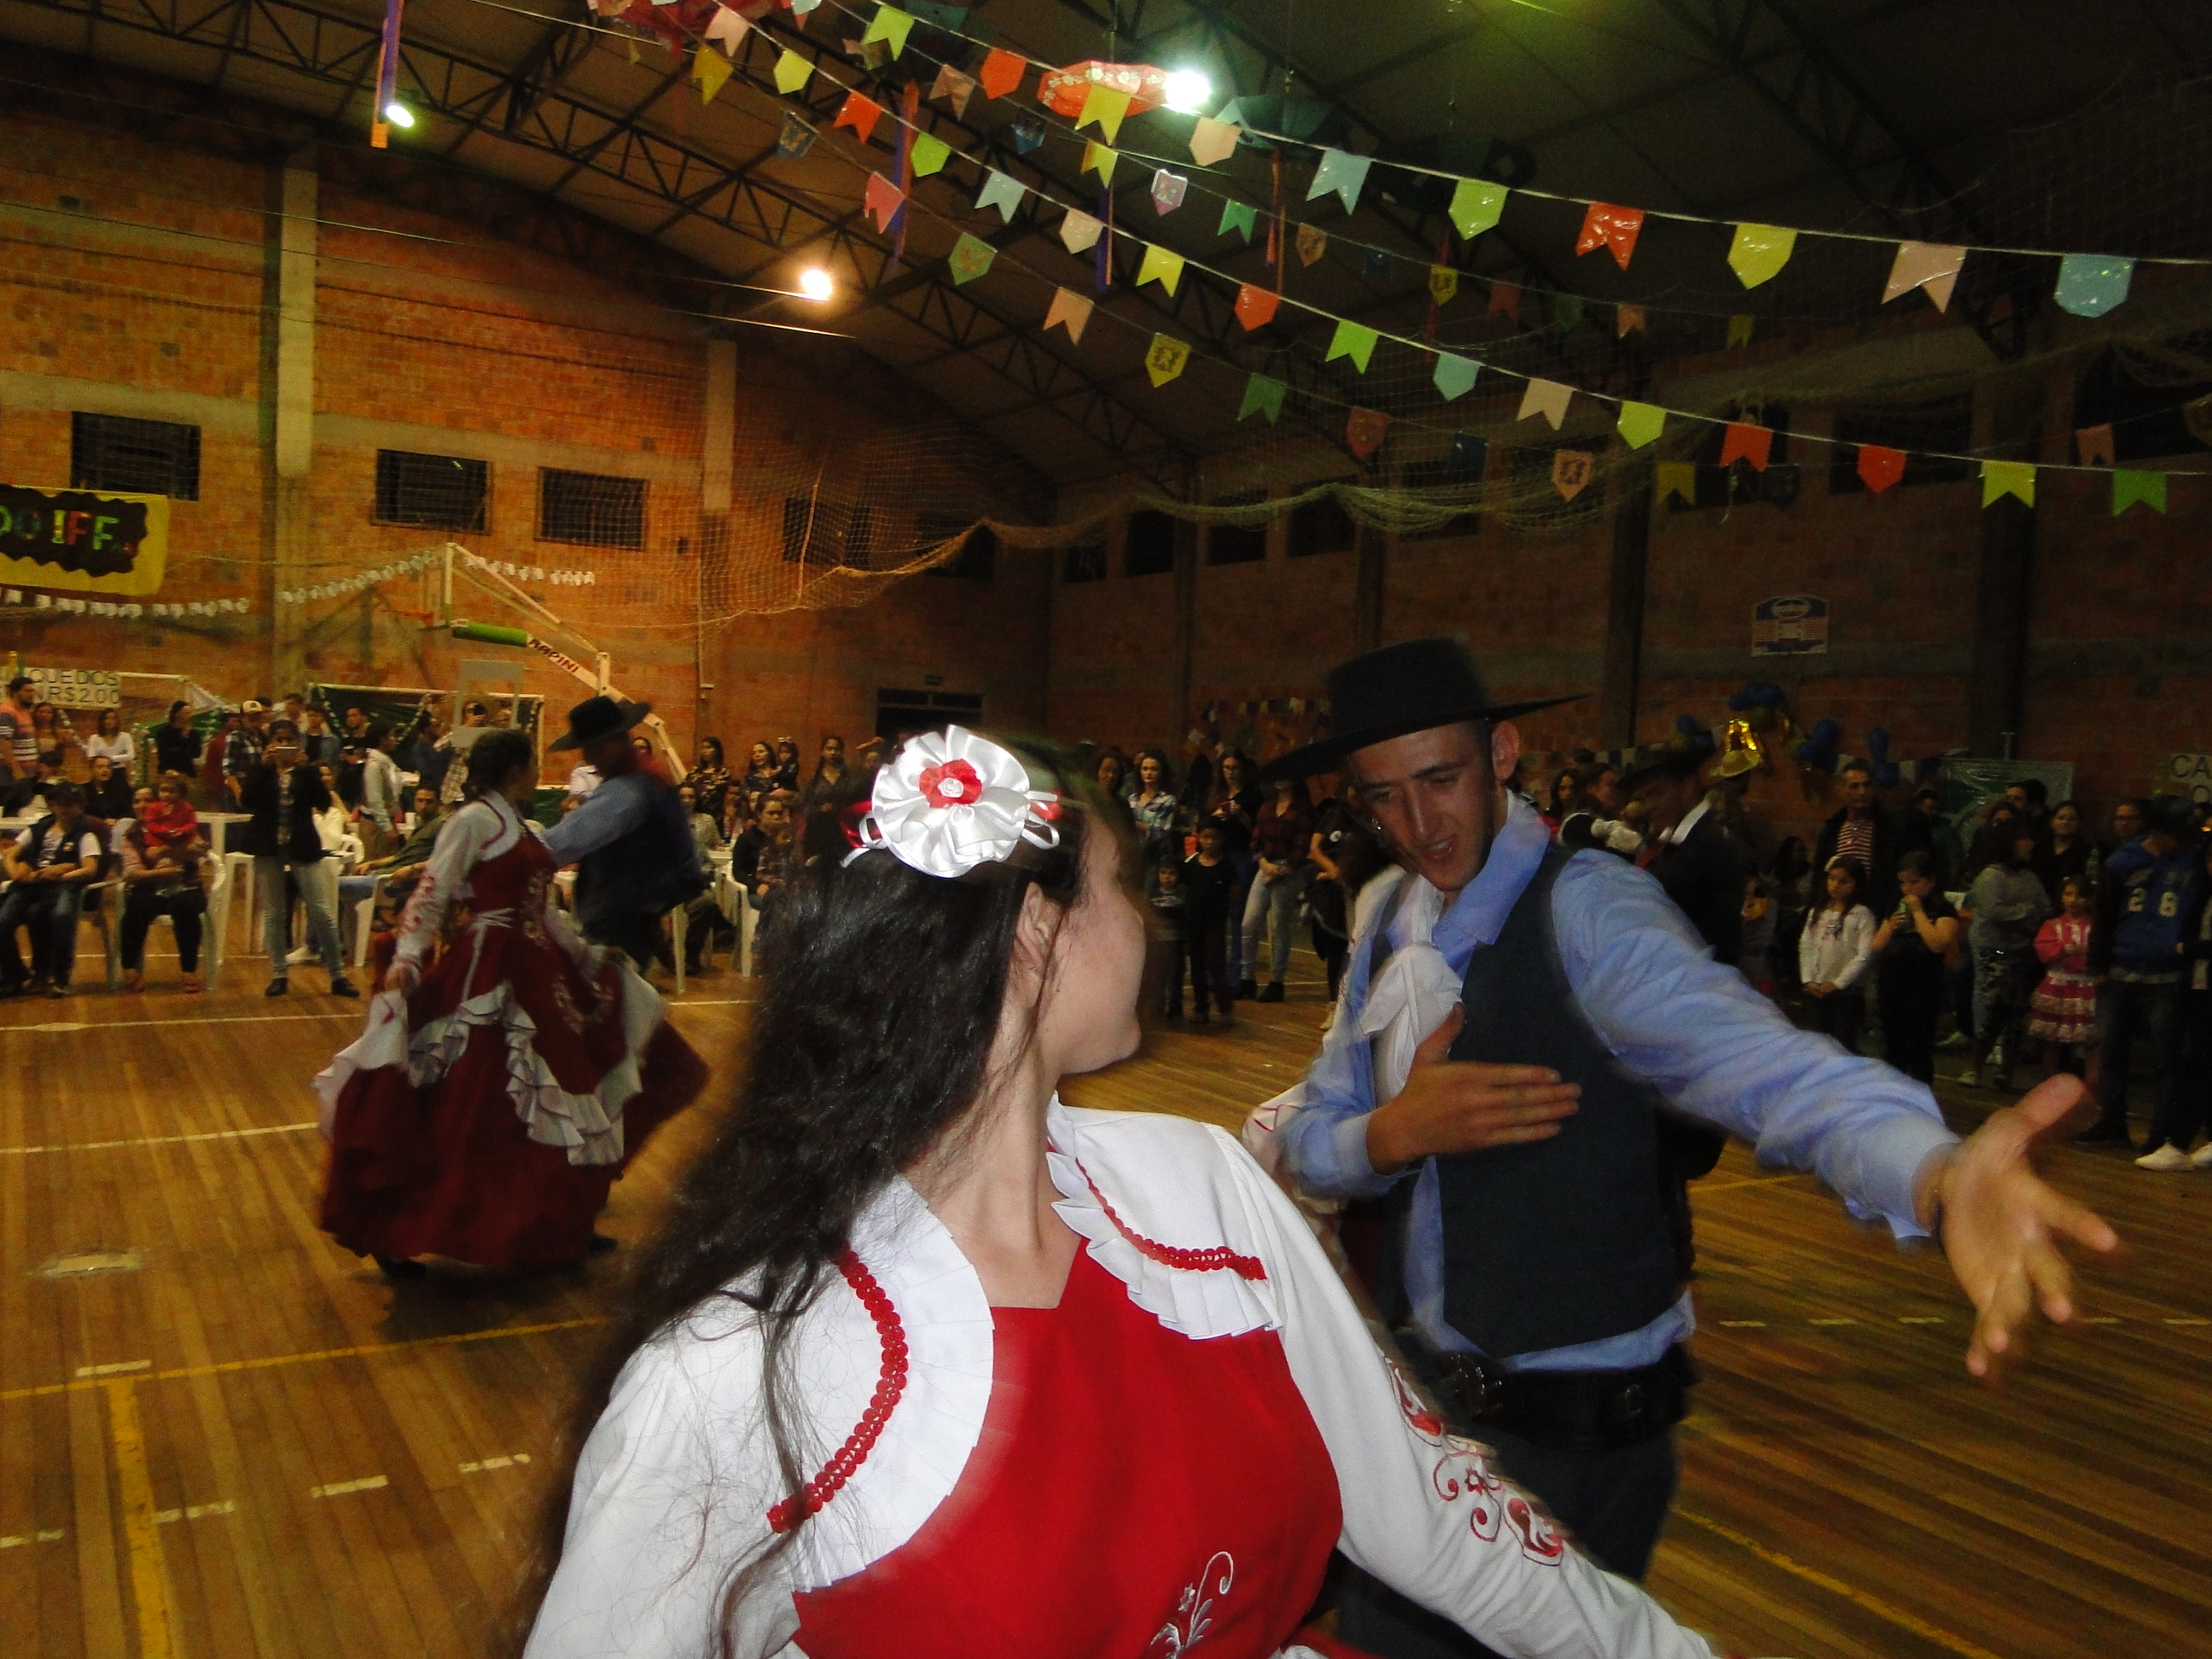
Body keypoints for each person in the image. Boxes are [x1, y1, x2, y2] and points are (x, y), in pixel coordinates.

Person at [512, 724, 1739, 1659]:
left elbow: (1429, 1505)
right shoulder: (743, 1370)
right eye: (1121, 888)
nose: (1147, 924)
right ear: (1035, 930)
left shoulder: (1200, 1189)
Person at [1265, 637, 2118, 1652]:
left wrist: (1936, 1172)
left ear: (1501, 755)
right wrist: (1389, 1135)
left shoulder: (1591, 912)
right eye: (1384, 797)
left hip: (1571, 1449)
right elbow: (1309, 1136)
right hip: (1429, 1427)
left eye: (1439, 780)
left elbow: (1760, 1064)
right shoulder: (1386, 917)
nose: (1418, 825)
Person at [315, 728, 707, 1279]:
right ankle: (406, 1224)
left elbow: (538, 908)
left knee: (562, 1089)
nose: (537, 772)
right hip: (489, 970)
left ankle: (558, 1224)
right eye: (531, 763)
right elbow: (434, 889)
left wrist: (584, 955)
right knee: (472, 1101)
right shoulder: (474, 820)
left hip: (534, 967)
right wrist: (407, 957)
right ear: (515, 768)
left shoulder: (516, 824)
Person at [541, 696, 709, 975]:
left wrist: (516, 849)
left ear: (612, 743)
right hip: (637, 916)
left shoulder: (626, 791)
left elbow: (565, 841)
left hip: (618, 922)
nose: (587, 757)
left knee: (607, 993)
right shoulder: (648, 778)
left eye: (591, 748)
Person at [2081, 796, 2203, 1147]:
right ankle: (2112, 1122)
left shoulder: (2195, 860)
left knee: (2167, 1058)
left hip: (2168, 974)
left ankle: (2160, 1133)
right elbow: (2104, 913)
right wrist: (2098, 965)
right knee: (2111, 1052)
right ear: (2158, 831)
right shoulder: (2124, 861)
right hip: (2120, 968)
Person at [238, 719, 357, 998]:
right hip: (268, 846)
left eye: (289, 740)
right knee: (274, 912)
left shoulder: (305, 771)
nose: (284, 745)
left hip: (302, 845)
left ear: (298, 743)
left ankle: (338, 975)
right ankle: (279, 973)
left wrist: (307, 770)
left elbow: (323, 802)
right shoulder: (263, 771)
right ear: (270, 743)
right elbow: (247, 801)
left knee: (321, 911)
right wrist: (263, 767)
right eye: (278, 739)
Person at [1626, 737, 1745, 969]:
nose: (1647, 807)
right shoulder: (1669, 841)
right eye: (1642, 798)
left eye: (1656, 794)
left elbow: (1647, 888)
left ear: (1688, 787)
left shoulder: (1708, 844)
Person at [1960, 824, 2052, 1091]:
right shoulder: (1991, 876)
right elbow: (1993, 912)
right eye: (2023, 838)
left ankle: (2006, 1072)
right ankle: (1976, 1068)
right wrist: (2026, 911)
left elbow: (2045, 908)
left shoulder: (2029, 877)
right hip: (1993, 952)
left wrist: (2026, 914)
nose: (2030, 844)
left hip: (2020, 952)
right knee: (1990, 1008)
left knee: (2016, 1013)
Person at [2144, 837, 2212, 1169]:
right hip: (2198, 987)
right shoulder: (2204, 894)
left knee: (2198, 1065)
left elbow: (2194, 943)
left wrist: (2192, 948)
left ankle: (2179, 1143)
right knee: (2199, 1062)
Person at [0, 783, 102, 998]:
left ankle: (59, 976)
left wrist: (60, 874)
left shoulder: (85, 835)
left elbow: (90, 869)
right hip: (30, 885)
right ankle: (13, 975)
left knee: (61, 916)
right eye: (59, 804)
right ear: (52, 805)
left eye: (69, 804)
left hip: (63, 886)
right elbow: (10, 855)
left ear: (80, 806)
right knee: (3, 920)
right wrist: (16, 874)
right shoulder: (38, 829)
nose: (64, 809)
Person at [1870, 851, 1962, 1084]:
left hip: (1923, 986)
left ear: (1930, 881)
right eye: (1903, 882)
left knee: (1919, 1047)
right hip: (1892, 983)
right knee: (1892, 1046)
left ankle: (1920, 1094)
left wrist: (1919, 912)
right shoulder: (1896, 905)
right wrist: (1891, 926)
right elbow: (1877, 946)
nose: (1907, 888)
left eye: (1914, 882)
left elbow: (1938, 944)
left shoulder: (1943, 909)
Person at [114, 783, 209, 993]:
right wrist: (162, 873)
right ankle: (129, 967)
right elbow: (132, 873)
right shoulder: (131, 835)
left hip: (185, 884)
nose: (142, 805)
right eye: (137, 801)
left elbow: (201, 849)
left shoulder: (182, 825)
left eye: (148, 800)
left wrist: (167, 850)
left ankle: (189, 970)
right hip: (149, 886)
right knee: (137, 906)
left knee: (185, 906)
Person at [1240, 774, 1313, 1003]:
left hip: (1288, 870)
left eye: (1285, 776)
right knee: (1248, 923)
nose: (1280, 780)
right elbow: (1256, 840)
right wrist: (1263, 863)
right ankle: (1246, 979)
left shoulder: (1302, 810)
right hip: (1266, 866)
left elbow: (1301, 848)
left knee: (1278, 927)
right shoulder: (1267, 807)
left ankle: (1276, 982)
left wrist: (1280, 871)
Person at [1308, 783, 1382, 1002]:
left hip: (1363, 887)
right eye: (1354, 788)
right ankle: (1335, 1002)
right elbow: (1315, 848)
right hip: (1333, 892)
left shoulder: (1375, 818)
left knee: (1359, 944)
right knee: (1335, 947)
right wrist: (1334, 871)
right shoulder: (1333, 816)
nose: (1357, 794)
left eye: (1361, 788)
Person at [1798, 857, 1876, 1053]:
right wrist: (1808, 978)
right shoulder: (1818, 911)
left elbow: (1864, 954)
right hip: (1817, 986)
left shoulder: (1862, 914)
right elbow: (1806, 945)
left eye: (1844, 881)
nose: (1835, 885)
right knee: (1817, 1042)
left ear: (1857, 884)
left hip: (1847, 992)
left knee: (1843, 1043)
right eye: (1831, 878)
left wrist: (1838, 983)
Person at [2029, 876, 2098, 1086]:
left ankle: (2092, 1087)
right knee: (2051, 1039)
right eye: (2068, 894)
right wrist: (2067, 950)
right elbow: (2044, 951)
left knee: (2091, 1041)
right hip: (2057, 986)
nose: (2073, 900)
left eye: (2080, 896)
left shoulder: (2096, 927)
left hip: (2085, 987)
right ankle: (2050, 1085)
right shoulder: (2052, 925)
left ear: (2089, 899)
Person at [1813, 758, 1901, 917]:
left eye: (1867, 785)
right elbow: (1819, 875)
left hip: (1876, 909)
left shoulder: (1888, 829)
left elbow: (1896, 878)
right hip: (1836, 911)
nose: (1862, 792)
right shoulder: (1832, 830)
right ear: (1841, 790)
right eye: (1854, 786)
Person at [1179, 820, 1238, 1025]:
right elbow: (1184, 889)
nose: (1210, 842)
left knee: (1215, 962)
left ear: (1221, 839)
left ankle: (1224, 1006)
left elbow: (1234, 892)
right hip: (1194, 921)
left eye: (1214, 837)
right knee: (1196, 964)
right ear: (1198, 837)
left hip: (1215, 922)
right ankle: (1201, 1006)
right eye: (1206, 837)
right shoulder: (1191, 864)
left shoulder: (1226, 865)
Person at [1149, 855, 1189, 1018]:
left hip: (1176, 943)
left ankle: (1175, 1007)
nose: (1167, 877)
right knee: (1158, 976)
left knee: (1175, 977)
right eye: (1163, 872)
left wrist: (1186, 940)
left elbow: (1186, 919)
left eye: (1172, 873)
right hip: (1158, 943)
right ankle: (1157, 1006)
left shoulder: (1183, 895)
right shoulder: (1153, 895)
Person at [1127, 749, 1179, 870]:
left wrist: (1133, 823)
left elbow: (1161, 831)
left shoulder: (1168, 800)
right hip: (1132, 857)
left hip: (1156, 860)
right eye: (1145, 769)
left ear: (1161, 772)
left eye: (1154, 769)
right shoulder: (1132, 799)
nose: (1148, 773)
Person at [359, 721, 407, 850]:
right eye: (391, 736)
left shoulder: (385, 762)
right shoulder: (374, 765)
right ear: (382, 740)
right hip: (376, 824)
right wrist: (387, 827)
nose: (394, 739)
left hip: (387, 821)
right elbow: (375, 799)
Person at [2045, 800, 2094, 900]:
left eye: (2072, 819)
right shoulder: (2040, 847)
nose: (2065, 822)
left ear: (2079, 823)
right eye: (2061, 818)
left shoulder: (2086, 851)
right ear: (2052, 822)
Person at [684, 737, 734, 830]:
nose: (704, 751)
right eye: (703, 748)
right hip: (693, 815)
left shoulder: (723, 773)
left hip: (713, 815)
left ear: (717, 750)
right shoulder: (695, 772)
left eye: (708, 748)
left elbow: (715, 792)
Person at [224, 699, 269, 796]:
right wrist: (238, 793)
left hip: (256, 790)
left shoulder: (261, 737)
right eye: (251, 717)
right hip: (240, 789)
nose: (254, 721)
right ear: (242, 717)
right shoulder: (235, 737)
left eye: (257, 717)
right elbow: (229, 770)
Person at [153, 700, 202, 779]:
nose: (190, 716)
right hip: (168, 772)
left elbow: (196, 753)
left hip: (186, 772)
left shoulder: (193, 734)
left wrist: (187, 737)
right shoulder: (164, 733)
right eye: (186, 713)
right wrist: (183, 738)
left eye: (190, 713)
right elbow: (165, 754)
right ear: (177, 714)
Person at [0, 675, 38, 779]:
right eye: (27, 691)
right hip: (9, 774)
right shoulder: (6, 712)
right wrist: (16, 770)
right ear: (15, 692)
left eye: (33, 691)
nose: (32, 694)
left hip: (27, 772)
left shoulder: (24, 711)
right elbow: (4, 743)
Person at [81, 707, 135, 776]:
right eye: (106, 718)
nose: (109, 721)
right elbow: (91, 757)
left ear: (117, 721)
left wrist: (110, 758)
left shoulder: (125, 736)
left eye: (113, 718)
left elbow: (131, 755)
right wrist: (121, 757)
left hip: (119, 772)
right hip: (101, 773)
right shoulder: (94, 738)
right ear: (102, 721)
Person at [83, 753, 133, 821]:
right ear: (91, 769)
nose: (105, 770)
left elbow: (129, 809)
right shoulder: (84, 790)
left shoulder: (121, 788)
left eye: (108, 767)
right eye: (100, 767)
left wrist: (116, 820)